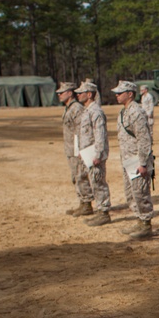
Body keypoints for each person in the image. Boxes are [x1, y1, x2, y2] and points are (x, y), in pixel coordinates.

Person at [112, 80, 154, 239]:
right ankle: (139, 220)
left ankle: (145, 224)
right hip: (127, 159)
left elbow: (144, 139)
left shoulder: (136, 111)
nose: (117, 96)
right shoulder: (124, 112)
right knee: (131, 194)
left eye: (120, 93)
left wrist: (143, 163)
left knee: (140, 192)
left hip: (137, 160)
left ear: (130, 94)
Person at [74, 81, 112, 227]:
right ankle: (99, 211)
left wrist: (98, 154)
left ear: (89, 94)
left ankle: (103, 213)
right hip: (87, 154)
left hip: (94, 155)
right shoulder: (87, 110)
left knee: (98, 182)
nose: (78, 95)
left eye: (81, 93)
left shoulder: (96, 111)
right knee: (93, 181)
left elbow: (99, 135)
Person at [58, 81, 94, 217]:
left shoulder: (76, 109)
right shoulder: (69, 108)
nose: (59, 95)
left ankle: (87, 203)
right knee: (75, 176)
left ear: (69, 93)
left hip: (77, 149)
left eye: (62, 93)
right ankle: (82, 202)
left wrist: (80, 150)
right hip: (70, 149)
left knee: (80, 175)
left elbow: (81, 131)